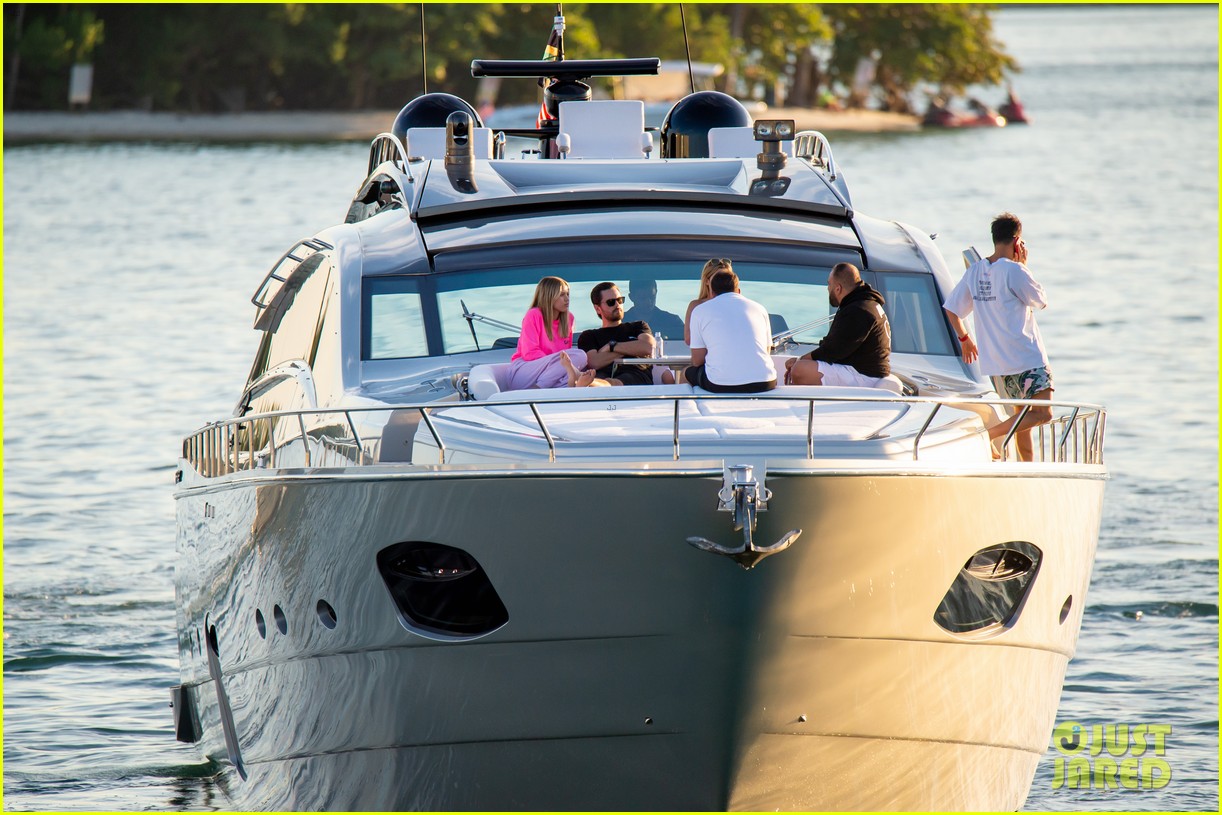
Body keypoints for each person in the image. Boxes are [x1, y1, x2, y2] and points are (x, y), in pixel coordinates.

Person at [943, 212, 1053, 461]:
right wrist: (1024, 266)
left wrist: (965, 339)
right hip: (1026, 359)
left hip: (997, 365)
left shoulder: (975, 271)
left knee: (1022, 417)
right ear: (1017, 242)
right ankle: (987, 434)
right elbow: (1041, 301)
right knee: (1042, 414)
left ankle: (1027, 467)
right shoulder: (1015, 271)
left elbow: (951, 308)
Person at [785, 262, 892, 387]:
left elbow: (832, 351)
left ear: (838, 288)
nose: (827, 289)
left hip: (863, 377)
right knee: (802, 365)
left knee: (800, 370)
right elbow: (835, 345)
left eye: (829, 284)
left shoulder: (858, 310)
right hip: (863, 372)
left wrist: (800, 360)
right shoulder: (866, 303)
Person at [682, 268, 777, 393]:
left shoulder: (700, 310)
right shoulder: (760, 309)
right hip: (765, 382)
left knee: (686, 372)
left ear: (711, 292)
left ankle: (684, 409)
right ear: (738, 291)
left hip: (719, 384)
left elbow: (697, 361)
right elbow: (766, 351)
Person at [504, 276, 600, 390]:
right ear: (549, 296)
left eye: (568, 294)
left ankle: (568, 384)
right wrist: (558, 366)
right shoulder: (534, 315)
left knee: (575, 363)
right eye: (561, 295)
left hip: (548, 375)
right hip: (524, 371)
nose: (567, 299)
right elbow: (529, 353)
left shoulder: (569, 319)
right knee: (580, 355)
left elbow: (565, 358)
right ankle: (540, 388)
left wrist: (562, 368)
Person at [577, 282, 675, 386]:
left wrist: (611, 346)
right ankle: (592, 384)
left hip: (636, 376)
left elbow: (649, 347)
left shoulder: (638, 326)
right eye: (611, 302)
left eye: (620, 300)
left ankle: (593, 384)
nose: (617, 305)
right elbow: (594, 362)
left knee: (614, 382)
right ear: (597, 308)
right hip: (600, 376)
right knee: (598, 378)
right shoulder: (588, 336)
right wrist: (631, 348)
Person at [683, 258, 732, 345]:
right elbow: (689, 339)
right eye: (718, 278)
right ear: (707, 281)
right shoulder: (696, 306)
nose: (723, 282)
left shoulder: (738, 306)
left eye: (727, 278)